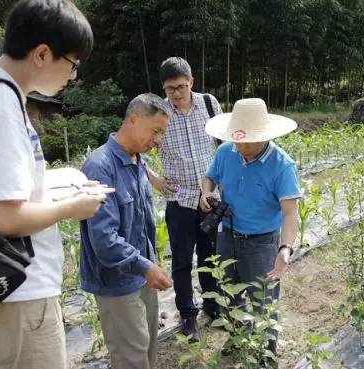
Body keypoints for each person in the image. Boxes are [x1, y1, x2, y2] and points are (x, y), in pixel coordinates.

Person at [0, 1, 105, 368]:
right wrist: (74, 208)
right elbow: (3, 216)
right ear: (41, 54)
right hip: (20, 289)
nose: (72, 76)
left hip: (13, 287)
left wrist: (57, 187)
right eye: (73, 63)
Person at [200, 98, 301, 364]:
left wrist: (285, 248)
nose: (240, 147)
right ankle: (237, 335)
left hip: (262, 243)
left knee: (263, 301)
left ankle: (267, 353)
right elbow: (210, 176)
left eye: (246, 141)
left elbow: (290, 214)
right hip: (228, 235)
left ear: (264, 136)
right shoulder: (226, 153)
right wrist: (207, 191)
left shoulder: (282, 165)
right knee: (229, 292)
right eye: (236, 140)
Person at [79, 94, 173, 369]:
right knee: (130, 358)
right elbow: (104, 240)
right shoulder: (100, 166)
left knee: (148, 349)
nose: (158, 140)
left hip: (142, 274)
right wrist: (145, 266)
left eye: (162, 134)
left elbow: (141, 222)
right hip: (116, 282)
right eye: (156, 131)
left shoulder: (138, 162)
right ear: (133, 120)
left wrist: (151, 263)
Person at [146, 56, 222, 341]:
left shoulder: (209, 104)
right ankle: (188, 315)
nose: (175, 93)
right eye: (169, 88)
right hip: (178, 200)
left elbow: (222, 147)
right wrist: (154, 179)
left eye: (180, 86)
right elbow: (134, 150)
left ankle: (212, 304)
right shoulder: (159, 113)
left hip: (208, 197)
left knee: (209, 255)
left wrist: (217, 188)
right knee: (180, 261)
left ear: (192, 82)